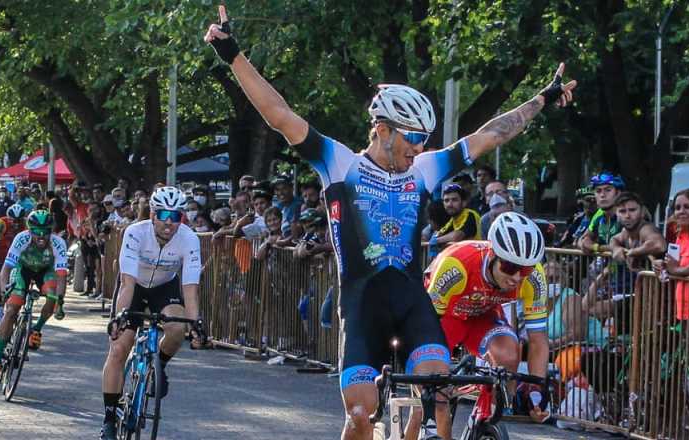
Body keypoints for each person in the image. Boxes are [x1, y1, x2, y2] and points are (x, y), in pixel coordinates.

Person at [204, 6, 577, 438]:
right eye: (413, 137)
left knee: (432, 389)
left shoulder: (425, 171)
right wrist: (232, 54)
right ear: (382, 129)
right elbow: (279, 114)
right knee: (361, 416)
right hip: (362, 307)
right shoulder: (339, 164)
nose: (419, 148)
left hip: (410, 301)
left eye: (424, 140)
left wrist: (542, 100)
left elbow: (491, 135)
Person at [416, 212, 551, 437]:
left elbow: (538, 340)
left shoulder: (534, 277)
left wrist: (537, 390)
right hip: (444, 317)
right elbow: (426, 327)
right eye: (509, 267)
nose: (518, 277)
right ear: (493, 254)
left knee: (509, 354)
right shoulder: (456, 265)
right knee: (432, 402)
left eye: (525, 269)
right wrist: (434, 376)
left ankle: (485, 416)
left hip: (484, 315)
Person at [100, 187, 204, 440]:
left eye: (176, 216)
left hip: (164, 287)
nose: (169, 222)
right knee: (118, 349)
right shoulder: (135, 233)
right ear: (153, 214)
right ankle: (110, 418)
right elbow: (126, 283)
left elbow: (190, 287)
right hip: (133, 286)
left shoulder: (189, 238)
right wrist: (118, 317)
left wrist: (195, 322)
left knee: (177, 328)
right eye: (163, 215)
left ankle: (160, 366)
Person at [0, 210, 69, 381]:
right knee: (12, 308)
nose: (41, 236)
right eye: (36, 232)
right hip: (22, 269)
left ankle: (36, 329)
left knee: (53, 295)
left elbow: (61, 276)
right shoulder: (21, 238)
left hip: (46, 271)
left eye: (45, 232)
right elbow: (6, 269)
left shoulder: (58, 243)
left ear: (50, 231)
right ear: (29, 230)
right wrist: (3, 290)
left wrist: (60, 302)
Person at [0, 204, 27, 320]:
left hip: (17, 257)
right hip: (2, 254)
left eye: (19, 221)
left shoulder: (26, 224)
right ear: (8, 218)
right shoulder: (0, 223)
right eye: (13, 221)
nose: (16, 224)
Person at [577, 172, 625, 255]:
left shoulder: (625, 213)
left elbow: (624, 247)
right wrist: (584, 245)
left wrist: (595, 247)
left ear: (618, 193)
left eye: (608, 190)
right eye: (598, 191)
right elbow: (582, 239)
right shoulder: (599, 213)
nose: (602, 195)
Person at [430, 183, 482, 254]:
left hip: (478, 260)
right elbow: (439, 234)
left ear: (464, 203)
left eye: (454, 200)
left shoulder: (470, 215)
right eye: (446, 200)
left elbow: (456, 236)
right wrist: (435, 238)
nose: (449, 204)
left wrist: (437, 241)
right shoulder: (453, 219)